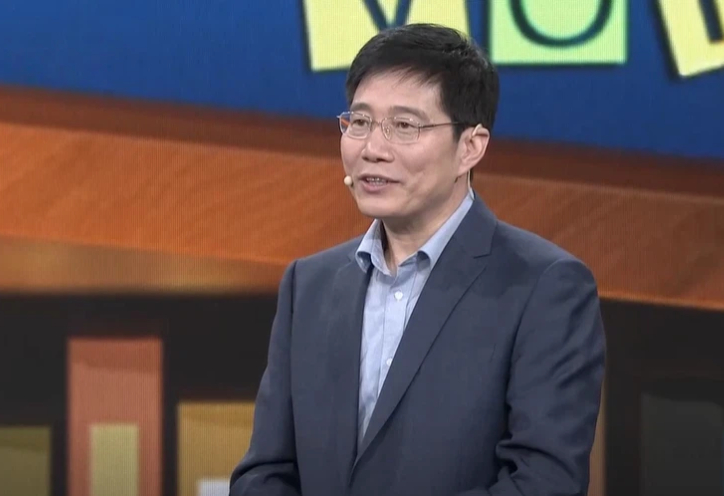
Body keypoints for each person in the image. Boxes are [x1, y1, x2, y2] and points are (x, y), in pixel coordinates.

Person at [230, 23, 605, 496]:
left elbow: (544, 482)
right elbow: (263, 472)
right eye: (359, 122)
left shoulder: (544, 286)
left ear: (470, 147)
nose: (372, 149)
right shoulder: (309, 284)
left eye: (404, 126)